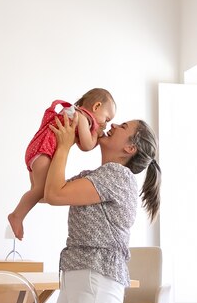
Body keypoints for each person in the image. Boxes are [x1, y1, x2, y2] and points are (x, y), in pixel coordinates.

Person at [45, 111, 161, 303]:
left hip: (96, 281)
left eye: (123, 126)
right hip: (79, 277)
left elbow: (54, 194)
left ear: (130, 148)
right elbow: (47, 191)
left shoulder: (118, 176)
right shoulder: (96, 176)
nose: (114, 125)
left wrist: (64, 145)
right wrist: (57, 142)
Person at [8, 88, 117, 240]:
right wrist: (96, 136)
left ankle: (23, 208)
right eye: (107, 119)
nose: (105, 124)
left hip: (37, 151)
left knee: (39, 193)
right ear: (96, 106)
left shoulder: (75, 114)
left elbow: (79, 143)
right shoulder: (83, 118)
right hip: (44, 152)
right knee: (40, 191)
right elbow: (86, 146)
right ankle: (17, 216)